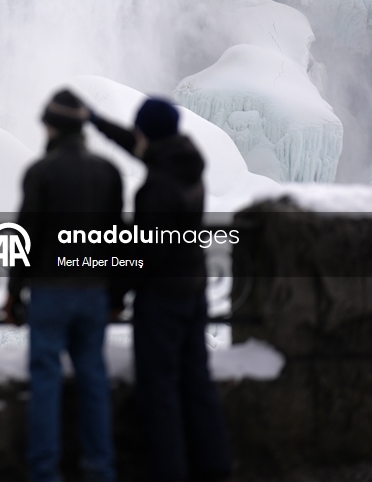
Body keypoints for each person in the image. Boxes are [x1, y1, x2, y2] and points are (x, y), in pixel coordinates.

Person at [89, 97, 233, 482]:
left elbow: (144, 253)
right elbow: (140, 146)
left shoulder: (158, 188)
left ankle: (169, 473)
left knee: (159, 393)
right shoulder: (185, 161)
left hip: (163, 300)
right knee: (197, 382)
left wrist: (115, 296)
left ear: (147, 134)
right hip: (193, 290)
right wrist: (98, 121)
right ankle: (215, 467)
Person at [4, 89, 123, 482]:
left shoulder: (41, 172)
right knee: (93, 379)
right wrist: (117, 294)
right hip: (93, 291)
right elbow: (116, 238)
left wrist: (13, 292)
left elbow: (26, 235)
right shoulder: (108, 172)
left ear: (51, 127)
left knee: (45, 381)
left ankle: (45, 471)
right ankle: (100, 468)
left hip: (50, 290)